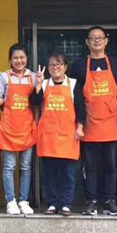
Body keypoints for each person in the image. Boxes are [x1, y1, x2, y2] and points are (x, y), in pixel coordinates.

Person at [69, 26, 117, 216]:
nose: (97, 40)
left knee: (111, 165)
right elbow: (74, 97)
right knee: (90, 166)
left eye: (100, 37)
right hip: (89, 122)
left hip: (112, 122)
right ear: (87, 42)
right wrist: (78, 122)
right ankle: (91, 201)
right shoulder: (79, 66)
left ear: (106, 41)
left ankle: (110, 201)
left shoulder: (116, 64)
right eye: (93, 38)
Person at [33, 52, 85, 216]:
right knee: (50, 173)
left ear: (65, 67)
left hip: (68, 135)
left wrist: (80, 127)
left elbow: (80, 108)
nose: (55, 68)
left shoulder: (73, 84)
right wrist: (38, 84)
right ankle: (52, 203)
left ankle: (66, 204)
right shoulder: (44, 84)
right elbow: (34, 101)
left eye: (59, 64)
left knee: (68, 173)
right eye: (52, 65)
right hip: (48, 135)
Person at [0, 43, 38, 215]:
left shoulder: (34, 77)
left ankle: (24, 200)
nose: (19, 61)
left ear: (27, 59)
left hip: (27, 127)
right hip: (9, 127)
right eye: (15, 58)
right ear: (10, 60)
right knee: (9, 166)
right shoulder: (3, 77)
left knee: (26, 166)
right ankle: (11, 201)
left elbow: (37, 102)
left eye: (22, 57)